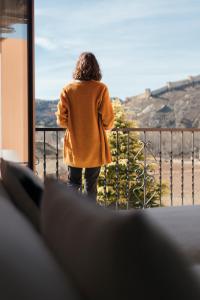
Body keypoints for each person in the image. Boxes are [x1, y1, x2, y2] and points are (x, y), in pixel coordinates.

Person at [56, 52, 114, 201]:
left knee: (73, 184)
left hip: (74, 145)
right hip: (94, 146)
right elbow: (108, 120)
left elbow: (61, 120)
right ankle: (89, 219)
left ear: (78, 67)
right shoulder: (101, 89)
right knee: (91, 185)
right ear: (96, 68)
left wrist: (74, 123)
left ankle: (71, 217)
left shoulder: (67, 90)